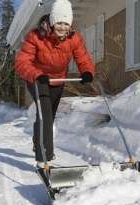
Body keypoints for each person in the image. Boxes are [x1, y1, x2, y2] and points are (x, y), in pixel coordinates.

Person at [15, 0, 95, 167]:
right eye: (59, 22)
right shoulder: (36, 36)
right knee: (45, 114)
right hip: (37, 78)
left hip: (58, 80)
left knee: (47, 116)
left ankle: (38, 143)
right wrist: (37, 75)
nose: (62, 27)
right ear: (52, 21)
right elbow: (22, 63)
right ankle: (45, 157)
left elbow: (83, 58)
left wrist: (87, 72)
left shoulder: (74, 38)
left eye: (66, 23)